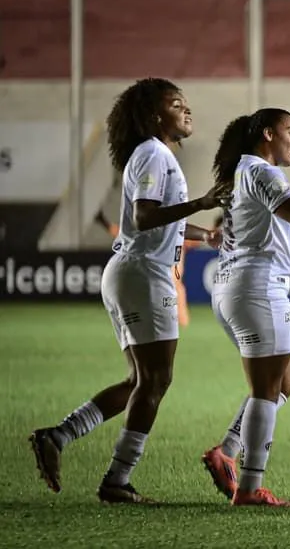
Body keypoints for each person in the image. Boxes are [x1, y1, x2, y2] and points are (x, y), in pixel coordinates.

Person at [29, 78, 226, 503]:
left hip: (131, 272)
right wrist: (202, 202)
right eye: (177, 104)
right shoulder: (154, 153)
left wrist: (203, 236)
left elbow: (158, 220)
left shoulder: (155, 155)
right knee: (156, 379)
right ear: (156, 116)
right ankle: (117, 480)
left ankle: (59, 436)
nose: (187, 110)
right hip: (143, 274)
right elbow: (144, 216)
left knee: (141, 379)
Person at [201, 108, 290, 507]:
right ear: (267, 134)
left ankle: (227, 450)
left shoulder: (244, 171)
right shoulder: (262, 172)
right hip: (258, 288)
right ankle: (250, 487)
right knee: (266, 389)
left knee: (284, 381)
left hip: (235, 286)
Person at [94, 210, 223, 327]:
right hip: (161, 283)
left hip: (171, 285)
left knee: (179, 321)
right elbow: (122, 234)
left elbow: (202, 237)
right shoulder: (155, 235)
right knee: (165, 319)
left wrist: (215, 226)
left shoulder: (178, 236)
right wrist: (104, 222)